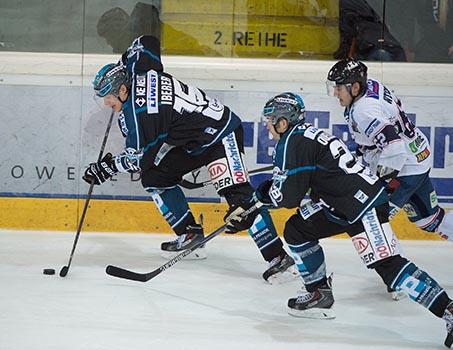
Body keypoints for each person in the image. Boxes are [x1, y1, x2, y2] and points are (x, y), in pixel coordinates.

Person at [223, 92, 453, 346]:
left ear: (283, 120)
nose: (267, 125)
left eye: (270, 119)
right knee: (298, 230)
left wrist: (253, 207)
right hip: (341, 205)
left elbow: (287, 196)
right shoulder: (304, 135)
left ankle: (449, 310)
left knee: (389, 267)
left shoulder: (292, 142)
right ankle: (318, 292)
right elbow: (293, 184)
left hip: (362, 206)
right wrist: (261, 194)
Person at [83, 35, 297, 284]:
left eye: (108, 96)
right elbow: (147, 42)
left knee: (240, 201)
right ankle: (190, 234)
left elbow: (139, 159)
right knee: (155, 177)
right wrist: (125, 59)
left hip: (221, 135)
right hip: (195, 142)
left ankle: (279, 258)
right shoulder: (138, 68)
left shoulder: (141, 114)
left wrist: (107, 167)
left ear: (122, 89)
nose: (106, 103)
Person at [326, 58, 453, 243]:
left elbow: (394, 148)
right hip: (418, 154)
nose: (336, 93)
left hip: (404, 168)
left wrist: (379, 184)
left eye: (339, 88)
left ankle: (398, 270)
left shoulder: (364, 111)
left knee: (374, 218)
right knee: (429, 220)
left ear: (354, 87)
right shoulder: (370, 85)